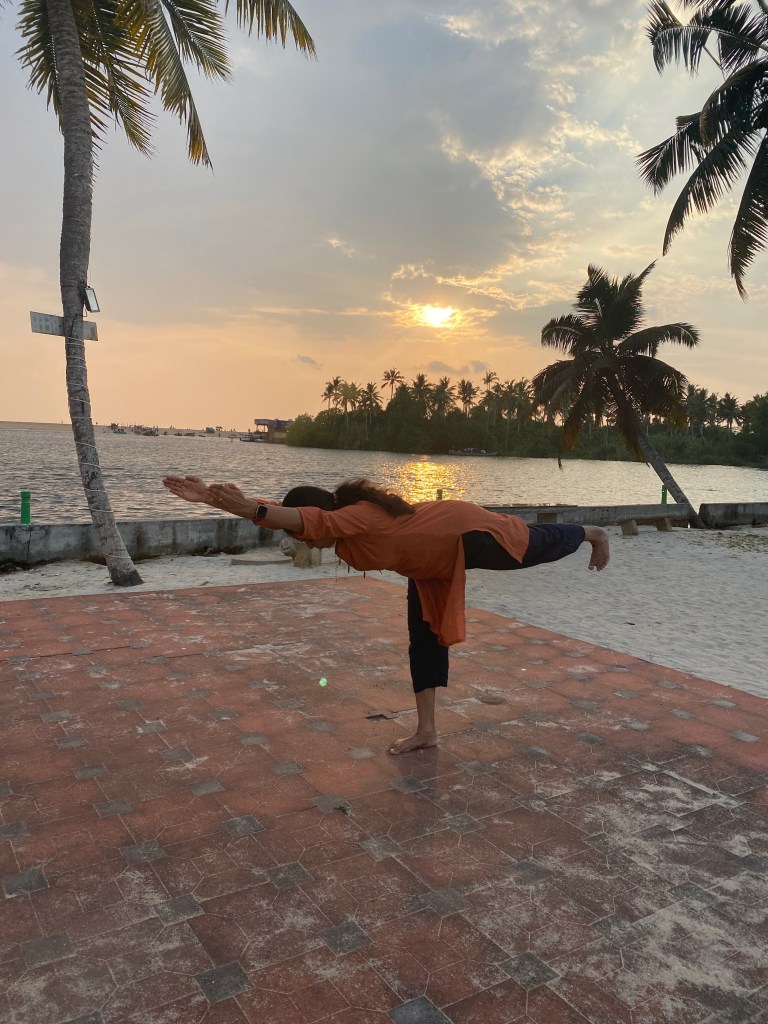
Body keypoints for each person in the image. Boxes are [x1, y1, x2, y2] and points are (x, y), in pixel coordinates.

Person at [162, 474, 609, 756]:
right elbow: (306, 519)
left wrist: (243, 507)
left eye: (300, 531)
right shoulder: (346, 526)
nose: (304, 540)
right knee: (424, 640)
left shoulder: (355, 516)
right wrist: (231, 502)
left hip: (463, 534)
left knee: (527, 546)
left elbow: (307, 521)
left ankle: (590, 532)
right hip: (428, 565)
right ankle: (427, 731)